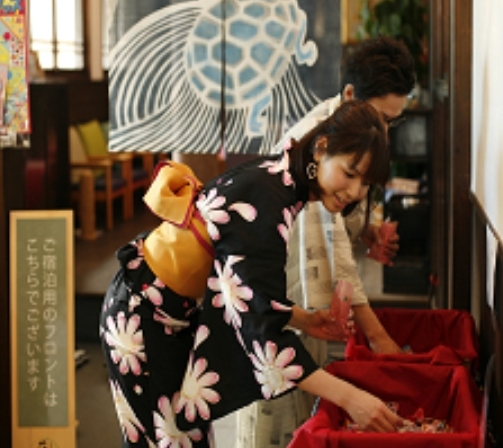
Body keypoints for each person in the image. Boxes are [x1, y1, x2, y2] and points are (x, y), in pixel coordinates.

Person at [100, 100, 404, 447]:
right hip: (142, 314)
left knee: (181, 438)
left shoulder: (281, 183)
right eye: (349, 173)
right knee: (169, 440)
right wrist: (352, 399)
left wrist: (302, 319)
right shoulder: (268, 196)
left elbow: (246, 290)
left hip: (161, 309)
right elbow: (264, 337)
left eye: (366, 184)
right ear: (321, 149)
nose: (354, 192)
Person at [236, 36, 417, 448]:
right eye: (382, 117)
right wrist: (377, 337)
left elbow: (341, 223)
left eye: (393, 122)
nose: (384, 131)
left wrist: (366, 229)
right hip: (263, 303)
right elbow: (331, 249)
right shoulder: (309, 149)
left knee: (301, 414)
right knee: (274, 417)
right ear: (350, 95)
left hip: (286, 312)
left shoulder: (349, 140)